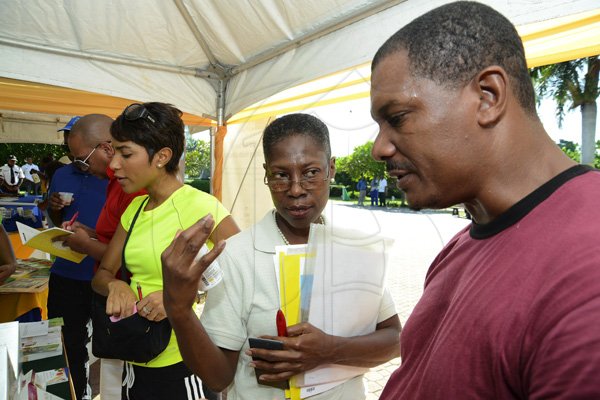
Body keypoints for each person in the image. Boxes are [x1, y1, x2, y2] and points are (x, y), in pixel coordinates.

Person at [369, 2, 600, 399]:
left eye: (399, 117)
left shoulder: (587, 270)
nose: (379, 148)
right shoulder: (460, 246)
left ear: (488, 96)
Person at [161, 113, 401, 400]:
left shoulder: (354, 248)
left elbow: (395, 338)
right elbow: (217, 377)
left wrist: (329, 351)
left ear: (331, 168)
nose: (296, 189)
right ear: (266, 173)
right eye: (280, 175)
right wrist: (179, 310)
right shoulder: (238, 255)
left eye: (311, 172)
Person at [92, 102, 239, 400]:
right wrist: (116, 285)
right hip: (136, 355)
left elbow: (244, 273)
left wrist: (179, 297)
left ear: (162, 157)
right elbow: (102, 275)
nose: (114, 165)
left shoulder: (201, 207)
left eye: (126, 153)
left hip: (182, 361)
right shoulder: (134, 209)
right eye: (114, 152)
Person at [58, 113, 146, 400]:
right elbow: (116, 237)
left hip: (130, 298)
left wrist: (86, 245)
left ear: (107, 149)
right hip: (109, 287)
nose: (80, 167)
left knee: (125, 376)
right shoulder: (113, 180)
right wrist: (91, 233)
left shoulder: (133, 185)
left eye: (82, 159)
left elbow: (128, 253)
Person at [47, 126, 108, 399]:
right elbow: (58, 223)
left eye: (81, 156)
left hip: (104, 276)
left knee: (111, 346)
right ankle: (76, 393)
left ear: (104, 146)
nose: (76, 162)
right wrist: (53, 207)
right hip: (66, 273)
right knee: (66, 342)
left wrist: (90, 240)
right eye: (71, 154)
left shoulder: (121, 178)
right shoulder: (61, 174)